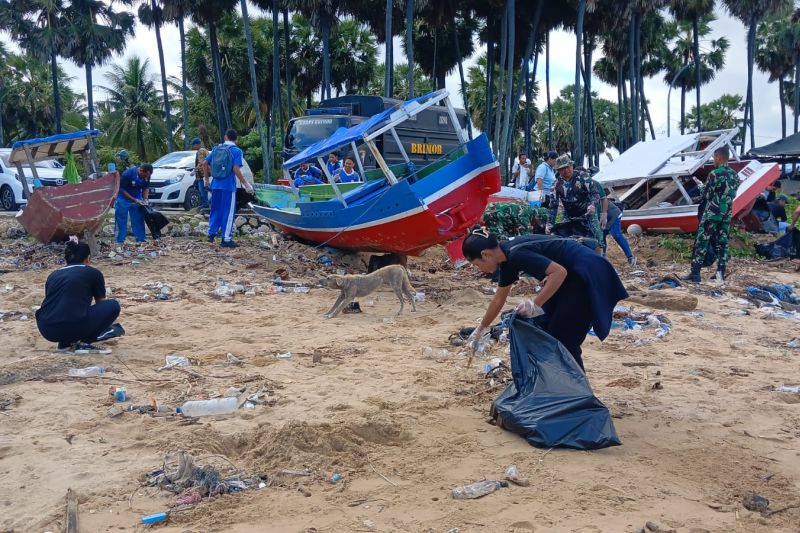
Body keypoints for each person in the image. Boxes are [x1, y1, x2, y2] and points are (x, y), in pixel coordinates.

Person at [462, 228, 628, 371]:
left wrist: (535, 304)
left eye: (477, 265)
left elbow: (559, 272)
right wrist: (481, 329)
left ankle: (577, 394)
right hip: (569, 276)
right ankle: (554, 383)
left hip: (586, 272)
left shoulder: (516, 254)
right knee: (542, 325)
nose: (480, 269)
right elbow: (499, 298)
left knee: (564, 338)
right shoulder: (505, 257)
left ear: (485, 254)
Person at [36, 238, 122, 354]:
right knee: (113, 306)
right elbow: (101, 303)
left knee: (70, 311)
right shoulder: (93, 273)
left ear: (66, 260)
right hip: (71, 324)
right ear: (88, 259)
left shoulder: (53, 275)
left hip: (46, 328)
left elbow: (54, 302)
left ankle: (65, 344)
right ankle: (84, 342)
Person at [683, 146, 739, 282]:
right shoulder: (735, 175)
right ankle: (720, 272)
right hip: (727, 213)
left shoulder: (715, 173)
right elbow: (733, 194)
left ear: (719, 157)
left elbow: (707, 194)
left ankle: (695, 273)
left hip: (712, 212)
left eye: (714, 157)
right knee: (722, 242)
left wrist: (701, 186)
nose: (713, 160)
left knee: (702, 241)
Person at [203, 129, 253, 248]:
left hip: (215, 185)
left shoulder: (216, 149)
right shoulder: (236, 151)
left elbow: (204, 163)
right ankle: (226, 239)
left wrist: (206, 180)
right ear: (236, 139)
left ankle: (211, 234)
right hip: (228, 187)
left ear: (225, 137)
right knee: (228, 211)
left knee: (215, 209)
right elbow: (236, 168)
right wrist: (246, 184)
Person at [549, 154, 603, 243]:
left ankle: (599, 255)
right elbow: (553, 206)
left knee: (597, 238)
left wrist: (592, 205)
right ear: (558, 170)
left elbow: (595, 194)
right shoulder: (556, 185)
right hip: (569, 215)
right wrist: (549, 223)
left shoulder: (583, 177)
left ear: (572, 166)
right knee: (565, 236)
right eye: (563, 168)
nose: (566, 170)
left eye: (568, 167)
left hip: (587, 212)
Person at [115, 163, 152, 250]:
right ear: (140, 171)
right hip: (123, 198)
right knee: (121, 220)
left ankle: (140, 240)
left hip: (137, 197)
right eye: (145, 176)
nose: (146, 178)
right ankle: (119, 241)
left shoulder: (147, 175)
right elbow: (122, 190)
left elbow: (146, 187)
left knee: (138, 219)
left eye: (148, 177)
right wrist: (134, 200)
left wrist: (145, 199)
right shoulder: (127, 174)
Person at [602, 196, 637, 266]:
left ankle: (630, 257)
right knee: (601, 236)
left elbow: (604, 199)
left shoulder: (594, 188)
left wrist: (604, 215)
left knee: (616, 235)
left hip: (613, 214)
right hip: (601, 218)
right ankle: (603, 257)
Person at [191, 137, 210, 211]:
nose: (193, 147)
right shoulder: (204, 150)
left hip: (201, 174)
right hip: (203, 174)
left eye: (194, 145)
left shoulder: (200, 151)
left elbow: (201, 162)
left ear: (197, 145)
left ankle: (205, 204)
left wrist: (195, 170)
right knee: (200, 188)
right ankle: (204, 203)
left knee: (203, 190)